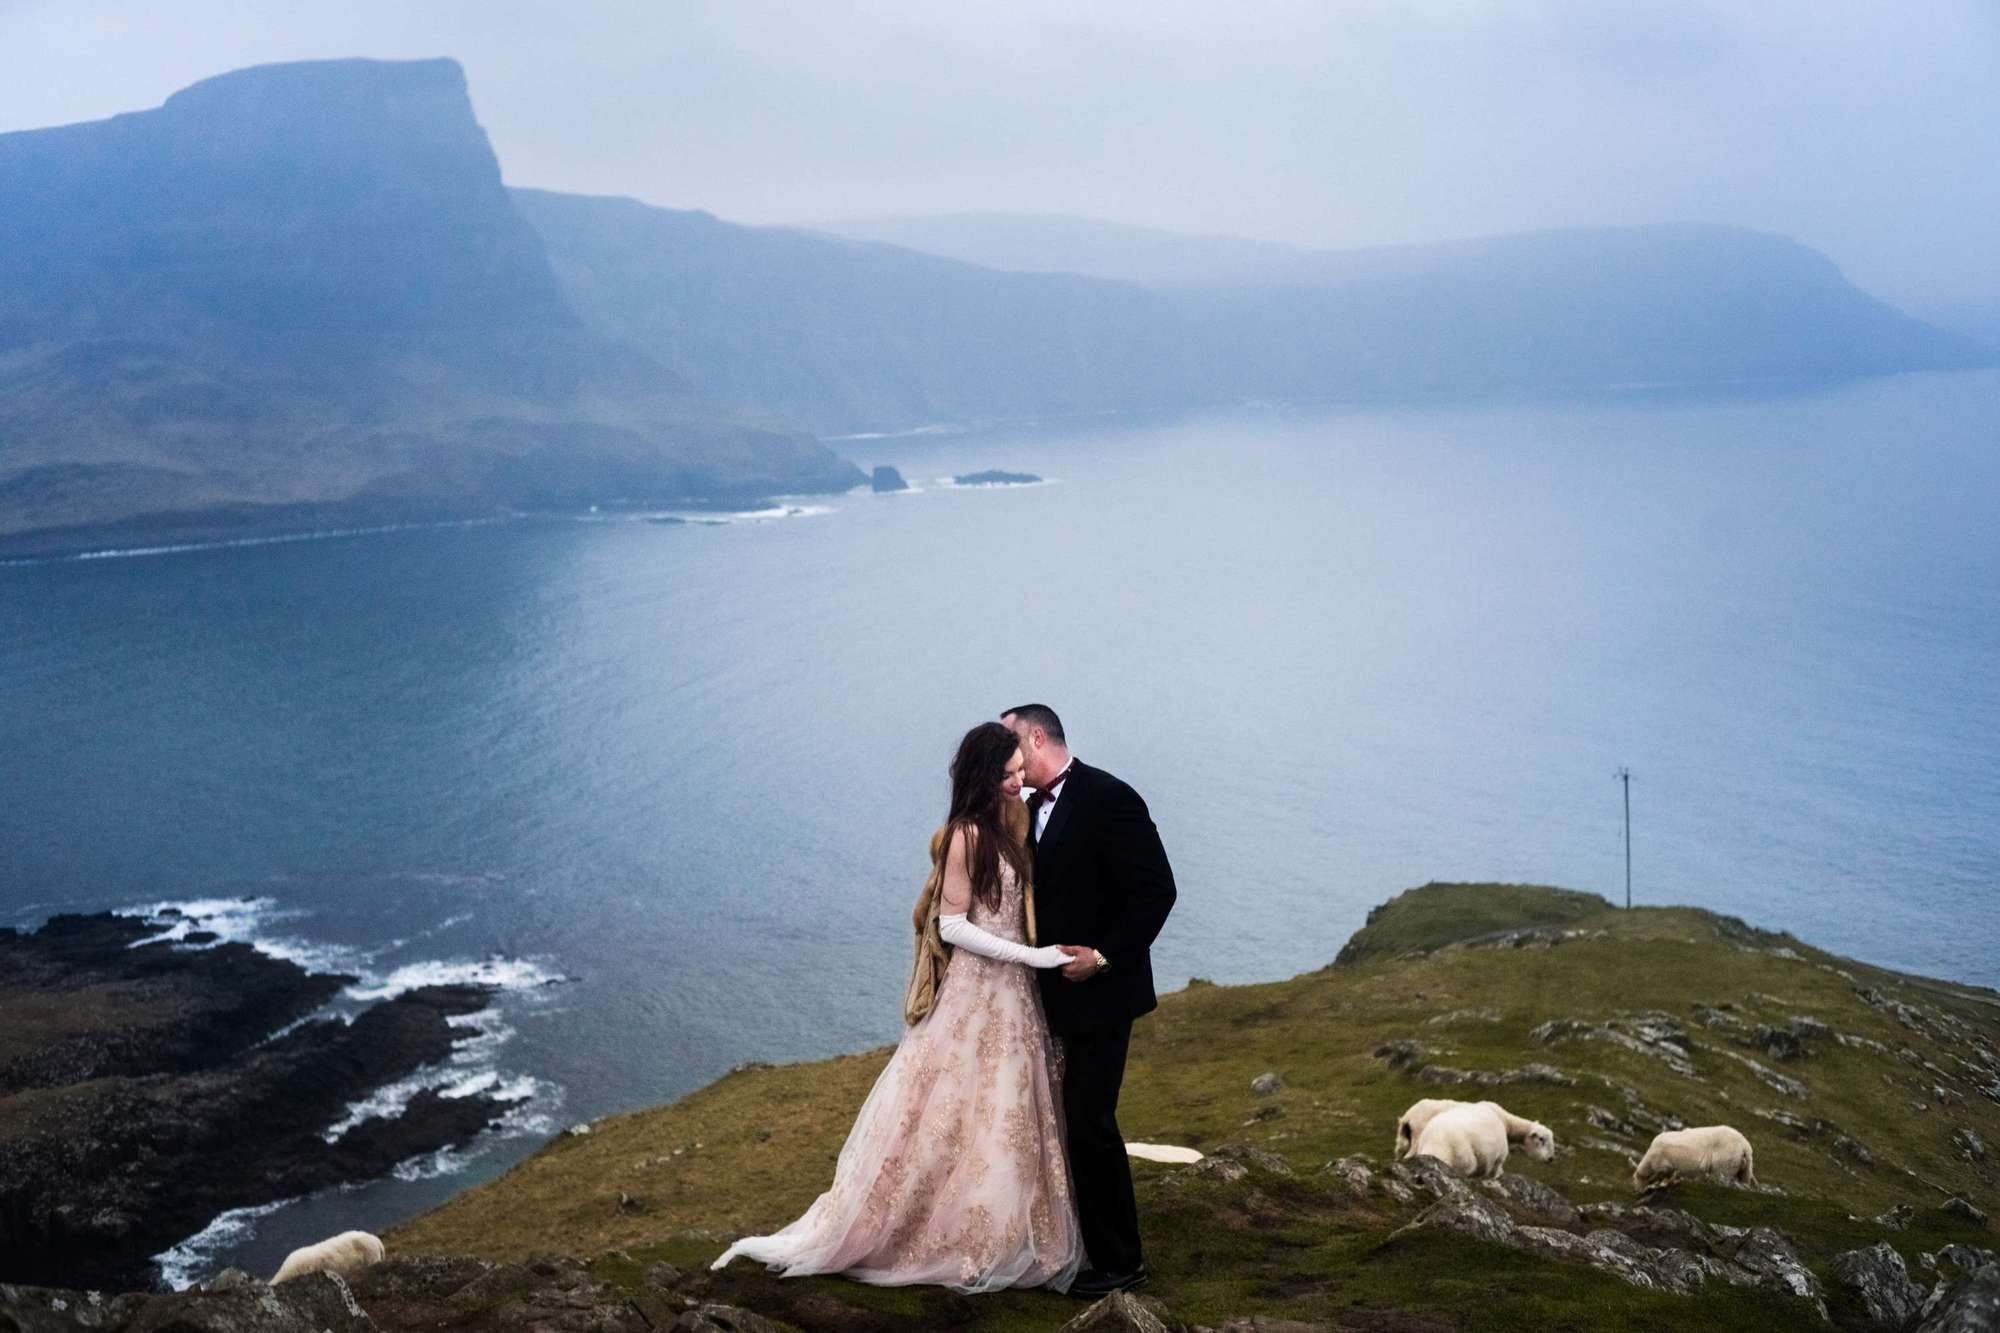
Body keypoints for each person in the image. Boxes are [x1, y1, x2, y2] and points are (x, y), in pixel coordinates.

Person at [711, 722, 1085, 1292]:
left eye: (1019, 773)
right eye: (1008, 774)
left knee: (1001, 1115)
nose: (1018, 783)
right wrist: (1031, 957)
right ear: (985, 777)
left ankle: (995, 1232)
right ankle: (939, 1234)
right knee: (955, 1113)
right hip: (980, 993)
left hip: (1011, 998)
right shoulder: (965, 836)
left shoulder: (1005, 827)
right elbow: (954, 926)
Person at [1002, 703, 1176, 1298]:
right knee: (1061, 1122)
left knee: (1089, 1120)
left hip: (1104, 994)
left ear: (1038, 736)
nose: (1006, 760)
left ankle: (1122, 1262)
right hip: (1048, 996)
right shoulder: (1024, 808)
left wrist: (1101, 956)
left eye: (1011, 746)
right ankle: (1076, 1245)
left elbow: (1157, 890)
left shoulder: (1109, 797)